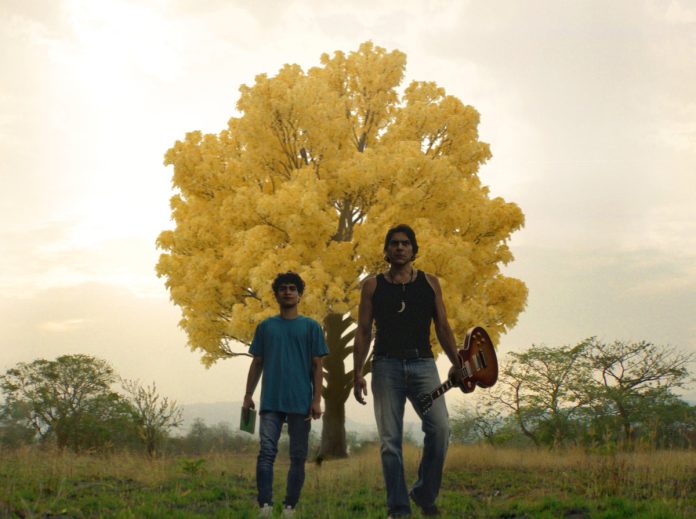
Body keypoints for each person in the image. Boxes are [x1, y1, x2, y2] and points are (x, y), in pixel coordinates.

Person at [353, 224, 466, 518]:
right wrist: (356, 374)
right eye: (394, 243)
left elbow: (442, 326)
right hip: (386, 366)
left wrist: (458, 362)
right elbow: (363, 331)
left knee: (439, 428)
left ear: (414, 250)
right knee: (390, 441)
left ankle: (424, 493)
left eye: (405, 244)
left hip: (423, 365)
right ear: (386, 251)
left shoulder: (430, 283)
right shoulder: (372, 286)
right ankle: (399, 509)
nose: (400, 248)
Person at [243, 272, 328, 518]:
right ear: (276, 294)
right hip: (270, 401)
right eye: (283, 288)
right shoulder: (266, 327)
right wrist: (248, 394)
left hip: (301, 402)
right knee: (266, 453)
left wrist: (316, 400)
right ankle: (265, 506)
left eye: (292, 288)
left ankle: (290, 507)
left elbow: (317, 366)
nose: (288, 292)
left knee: (298, 456)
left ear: (299, 294)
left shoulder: (311, 327)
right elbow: (257, 362)